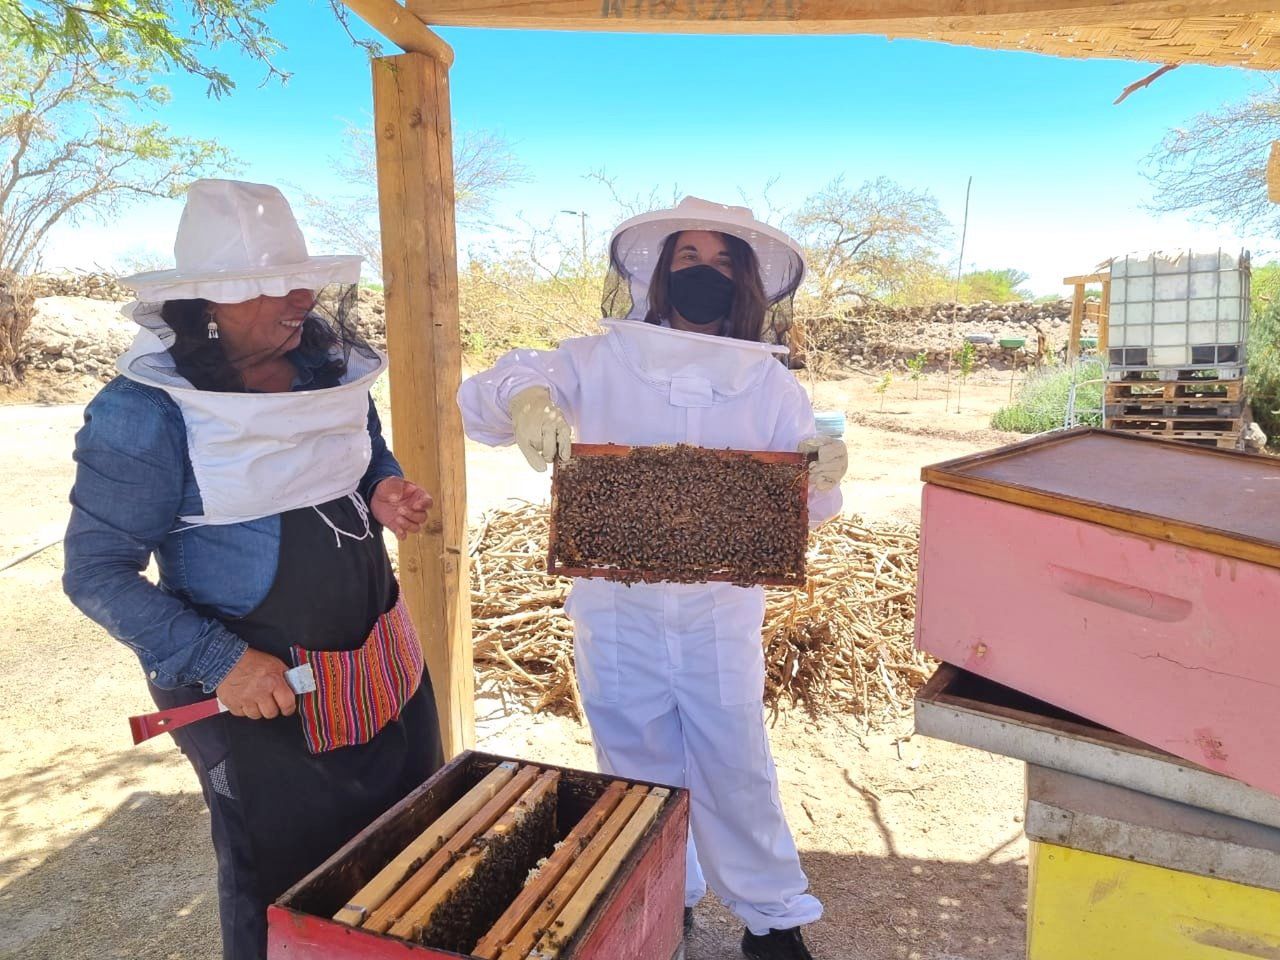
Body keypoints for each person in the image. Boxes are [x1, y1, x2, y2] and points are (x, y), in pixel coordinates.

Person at [63, 179, 444, 960]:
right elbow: (95, 572)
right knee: (284, 894)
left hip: (377, 659)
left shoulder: (324, 369)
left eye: (296, 275)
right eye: (267, 284)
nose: (298, 295)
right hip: (255, 697)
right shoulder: (143, 412)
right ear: (206, 302)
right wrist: (221, 661)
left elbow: (362, 449)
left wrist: (384, 490)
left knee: (411, 846)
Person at [458, 197, 848, 960]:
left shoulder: (770, 386)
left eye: (722, 262)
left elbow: (812, 510)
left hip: (719, 614)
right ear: (659, 274)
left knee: (735, 763)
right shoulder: (595, 360)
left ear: (746, 284)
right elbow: (487, 395)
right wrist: (529, 397)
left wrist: (825, 474)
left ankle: (773, 920)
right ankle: (669, 893)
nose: (704, 274)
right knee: (633, 763)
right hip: (615, 608)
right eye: (688, 259)